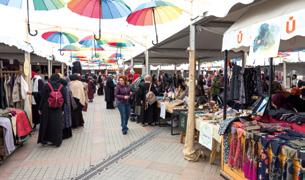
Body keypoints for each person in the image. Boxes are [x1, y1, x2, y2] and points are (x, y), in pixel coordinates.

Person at [38, 74, 66, 147]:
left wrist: (40, 108)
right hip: (58, 108)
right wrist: (62, 109)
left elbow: (43, 98)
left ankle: (45, 140)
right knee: (57, 125)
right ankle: (57, 141)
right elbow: (64, 99)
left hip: (47, 108)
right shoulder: (62, 87)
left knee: (46, 124)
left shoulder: (46, 86)